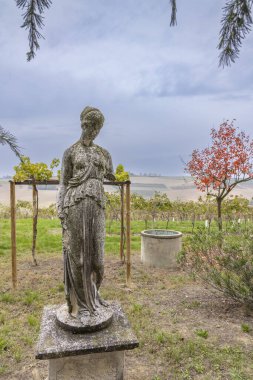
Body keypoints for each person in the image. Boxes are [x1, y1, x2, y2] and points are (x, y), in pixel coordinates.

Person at [57, 106, 115, 322]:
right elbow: (63, 184)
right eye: (90, 125)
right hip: (74, 205)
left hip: (97, 207)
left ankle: (95, 295)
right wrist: (60, 209)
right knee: (78, 258)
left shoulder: (104, 153)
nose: (93, 130)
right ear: (83, 124)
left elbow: (110, 174)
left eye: (97, 127)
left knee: (98, 261)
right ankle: (81, 305)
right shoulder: (70, 152)